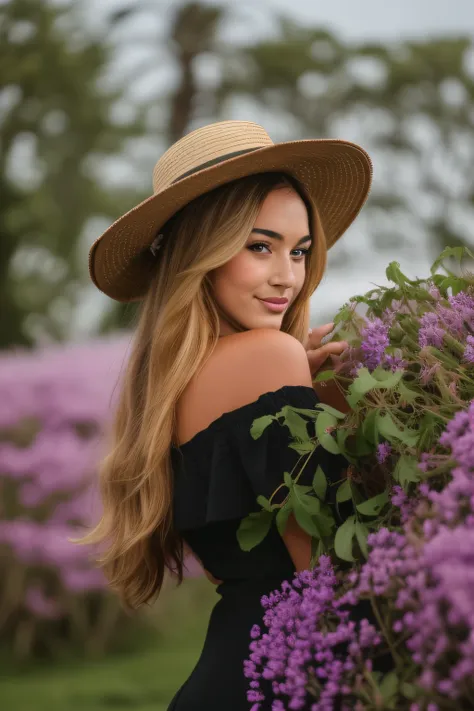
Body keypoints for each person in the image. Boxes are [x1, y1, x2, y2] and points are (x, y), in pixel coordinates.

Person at [80, 120, 373, 710]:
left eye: (300, 251)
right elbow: (332, 570)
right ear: (201, 251)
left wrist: (312, 396)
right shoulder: (270, 356)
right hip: (297, 677)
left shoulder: (168, 390)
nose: (287, 276)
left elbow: (235, 570)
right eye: (259, 246)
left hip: (241, 673)